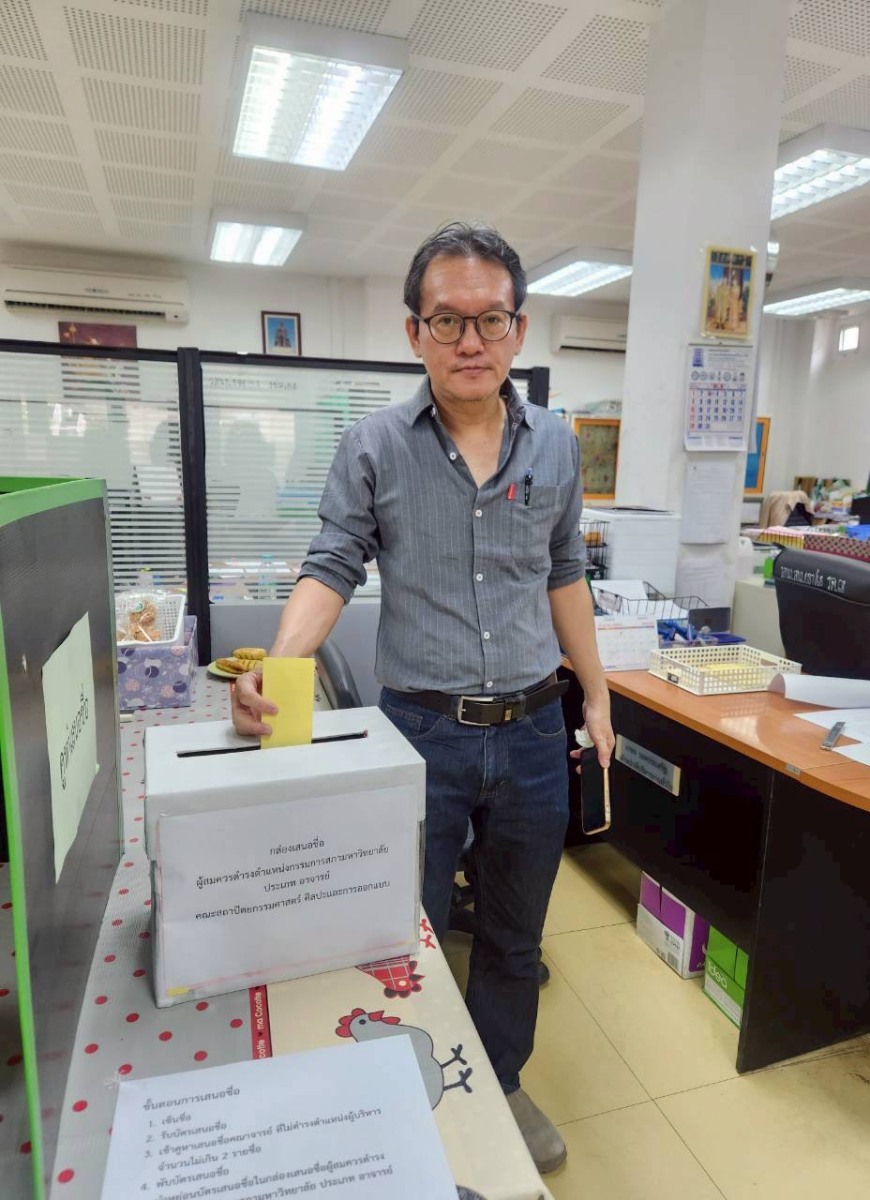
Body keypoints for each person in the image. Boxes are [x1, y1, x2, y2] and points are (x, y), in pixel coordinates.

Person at [232, 221, 614, 1174]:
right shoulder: (373, 446)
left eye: (491, 320)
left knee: (517, 936)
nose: (470, 340)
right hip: (419, 733)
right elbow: (333, 562)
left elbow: (566, 575)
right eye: (448, 320)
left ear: (519, 329)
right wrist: (276, 670)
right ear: (415, 332)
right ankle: (403, 1092)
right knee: (404, 932)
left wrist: (598, 698)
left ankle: (501, 1084)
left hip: (533, 731)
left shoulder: (555, 445)